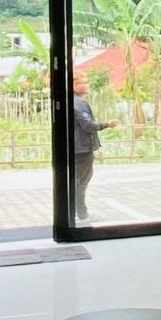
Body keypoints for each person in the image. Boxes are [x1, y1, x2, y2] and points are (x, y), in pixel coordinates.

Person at [70, 72, 116, 223]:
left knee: (78, 181)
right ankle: (82, 214)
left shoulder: (72, 101)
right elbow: (88, 125)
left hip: (77, 147)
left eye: (87, 82)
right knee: (81, 182)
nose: (87, 85)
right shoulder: (78, 103)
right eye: (83, 82)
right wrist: (107, 124)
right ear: (74, 85)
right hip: (82, 148)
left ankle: (76, 212)